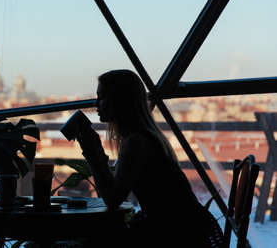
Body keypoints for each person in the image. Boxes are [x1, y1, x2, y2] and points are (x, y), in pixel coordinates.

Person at [77, 69, 223, 248]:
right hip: (187, 229)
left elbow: (113, 199)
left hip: (174, 234)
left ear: (120, 101)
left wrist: (93, 153)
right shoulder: (147, 136)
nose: (96, 103)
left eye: (102, 97)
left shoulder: (136, 142)